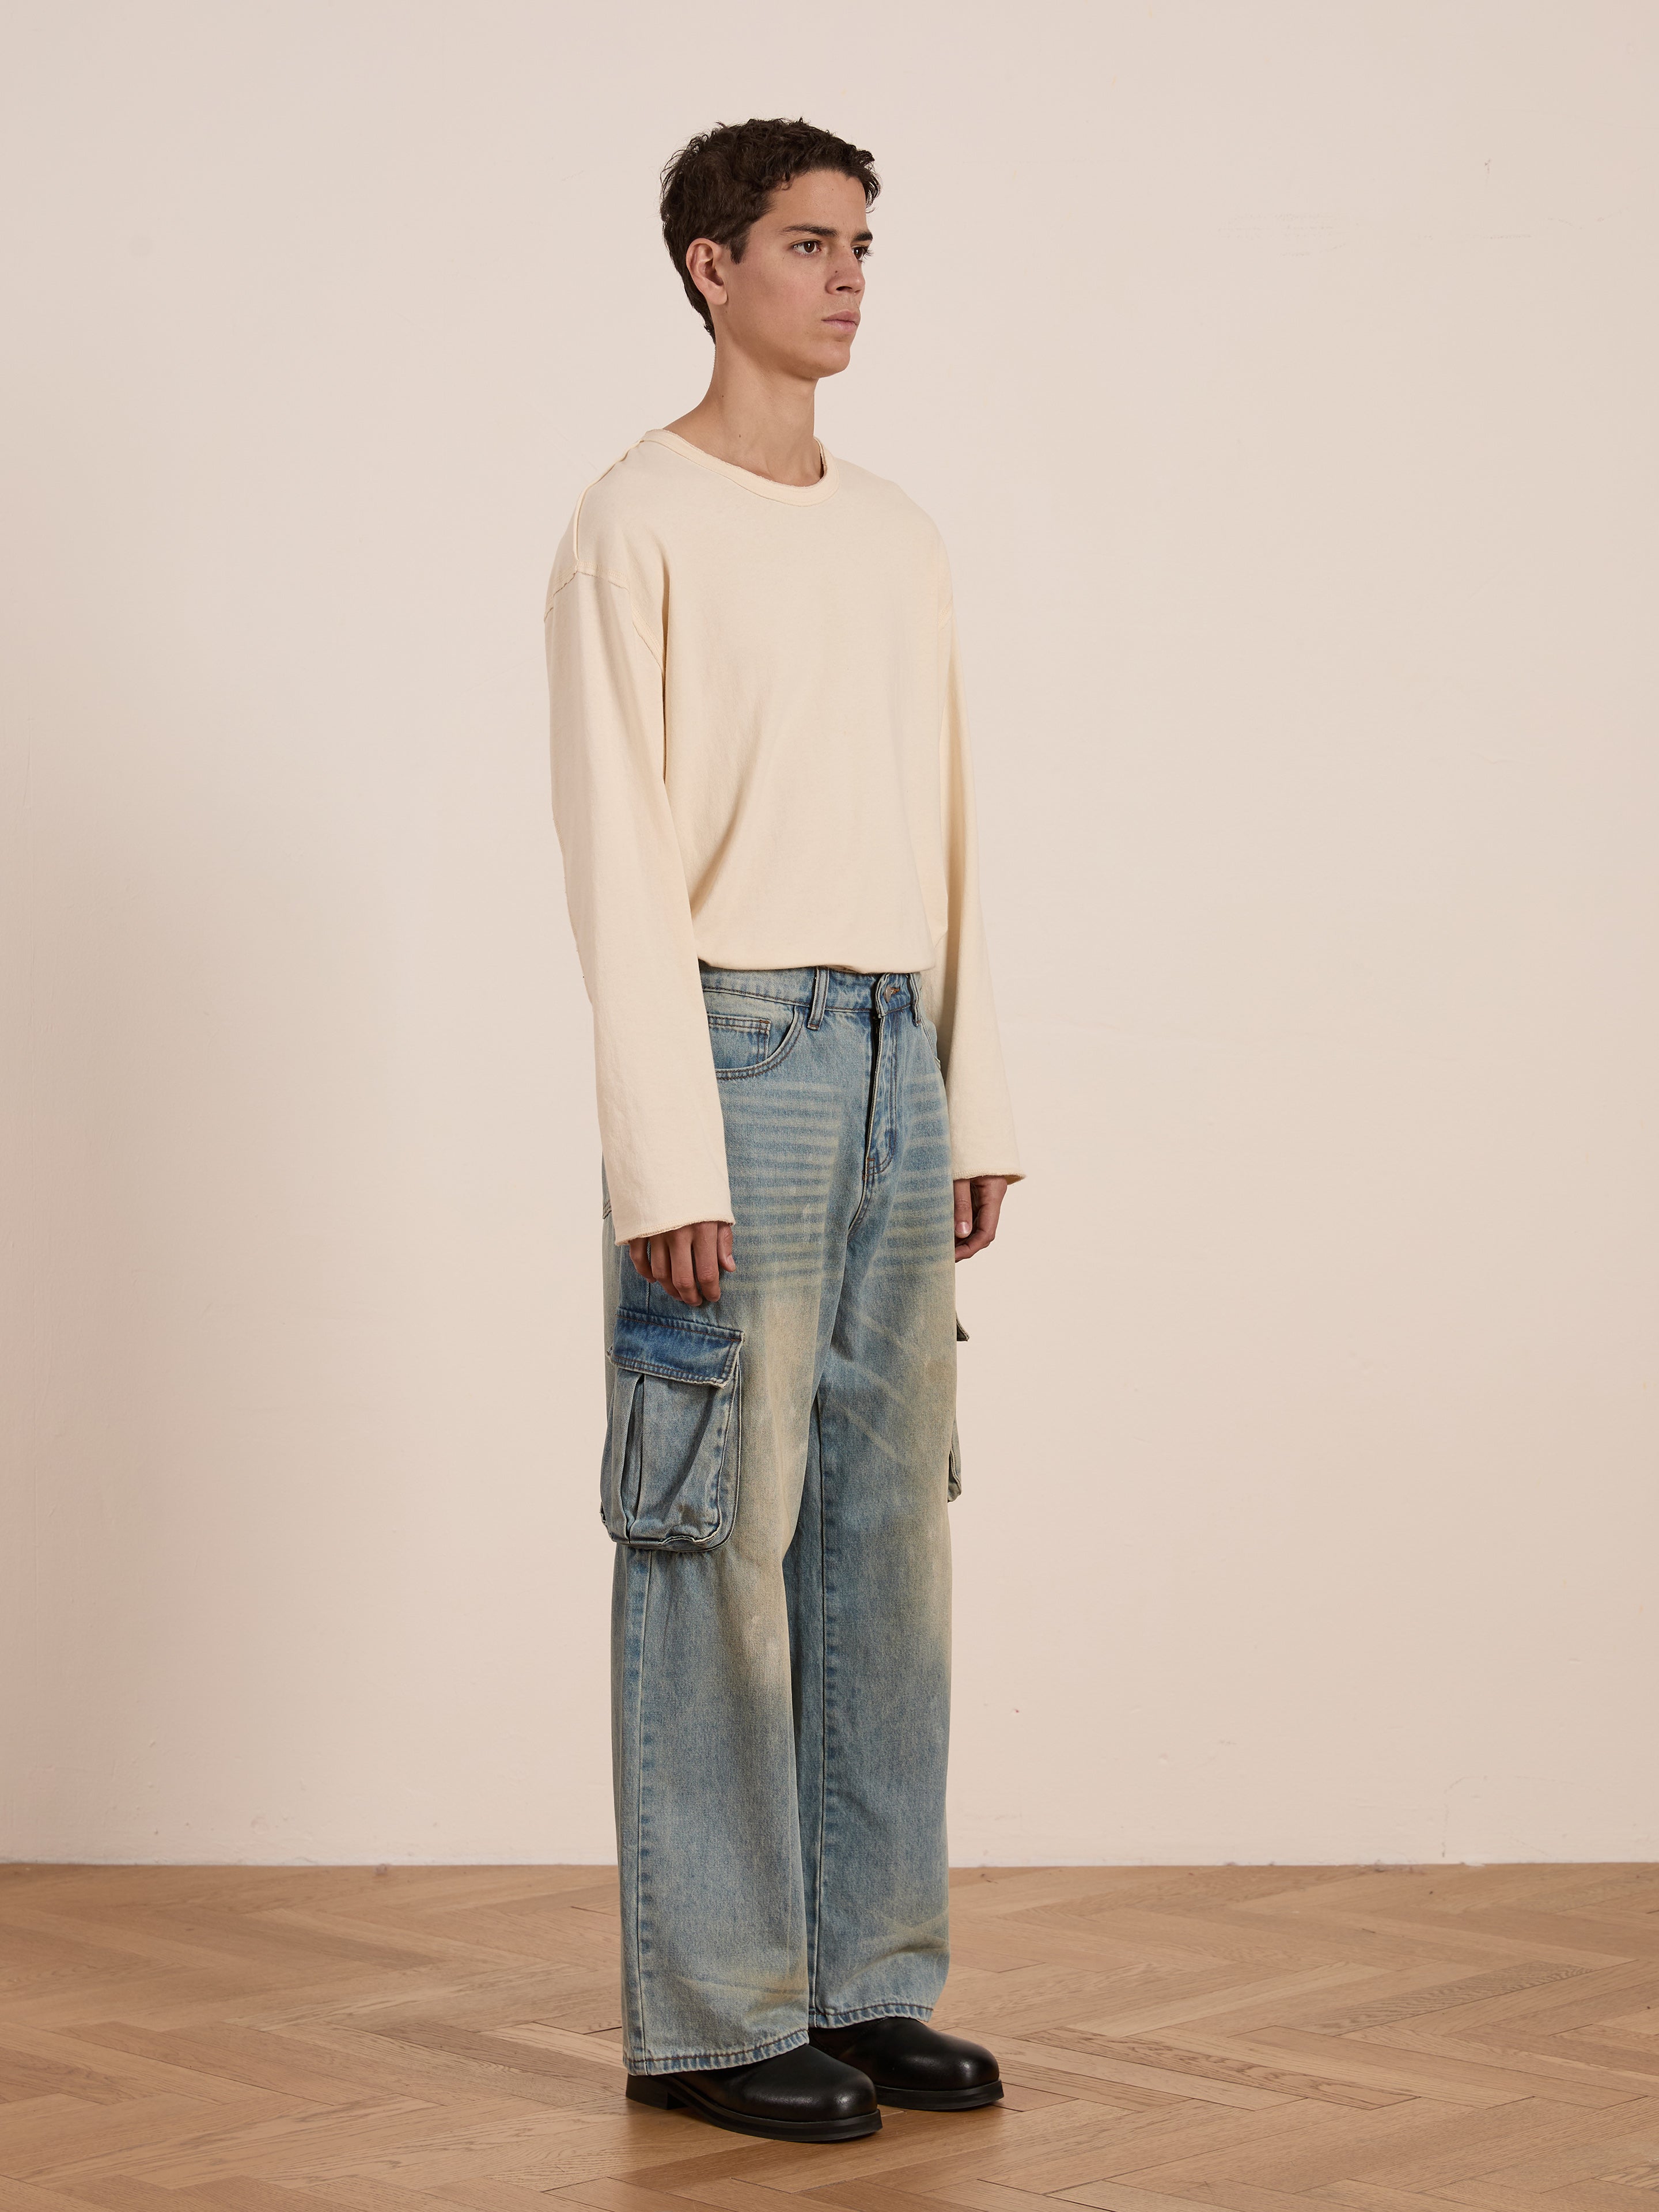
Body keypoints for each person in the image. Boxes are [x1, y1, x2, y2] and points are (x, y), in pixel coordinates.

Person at [542, 117, 1025, 2145]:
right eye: (808, 245)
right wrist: (668, 1160)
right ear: (705, 268)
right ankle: (717, 2010)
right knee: (717, 1541)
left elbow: (951, 818)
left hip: (893, 1059)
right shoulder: (631, 521)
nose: (847, 279)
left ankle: (862, 1974)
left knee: (887, 1542)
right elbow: (617, 852)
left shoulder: (898, 532)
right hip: (733, 1056)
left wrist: (971, 1088)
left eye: (863, 247)